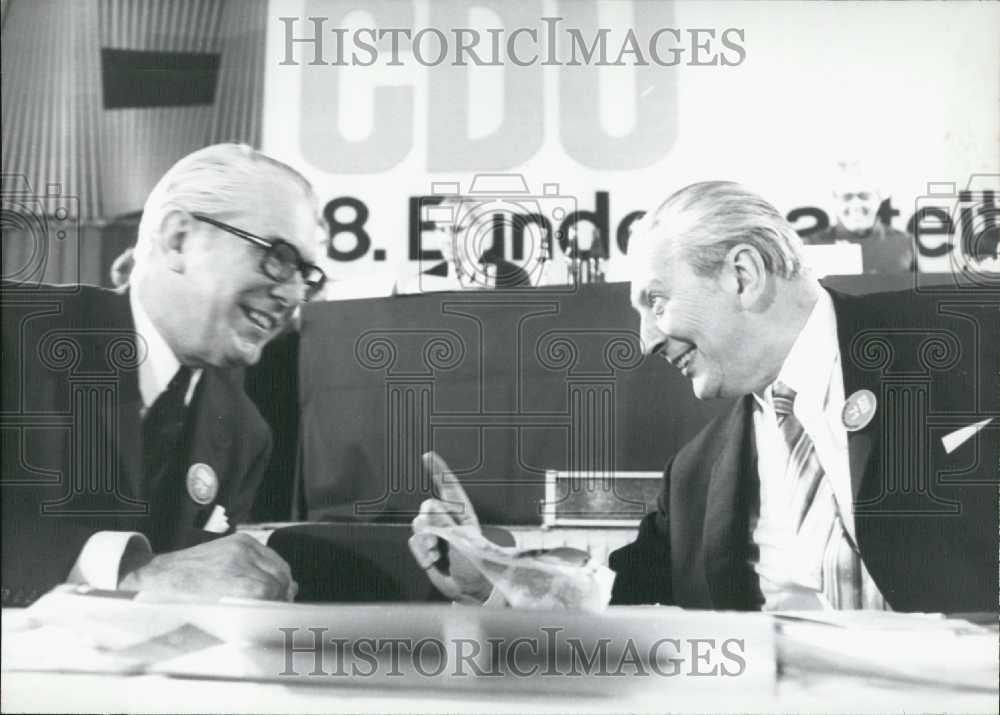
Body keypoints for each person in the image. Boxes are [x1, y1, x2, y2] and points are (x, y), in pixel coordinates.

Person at [412, 181, 997, 613]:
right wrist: (490, 574)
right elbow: (620, 607)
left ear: (742, 274)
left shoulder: (970, 345)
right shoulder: (694, 474)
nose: (644, 342)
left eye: (656, 302)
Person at [1, 143, 326, 606]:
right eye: (278, 257)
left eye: (307, 276)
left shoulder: (244, 434)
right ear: (178, 239)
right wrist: (132, 573)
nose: (294, 293)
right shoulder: (14, 332)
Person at [807, 163, 915, 274]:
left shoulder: (904, 242)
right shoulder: (812, 245)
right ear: (834, 201)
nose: (856, 204)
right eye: (847, 197)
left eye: (864, 196)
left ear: (879, 198)